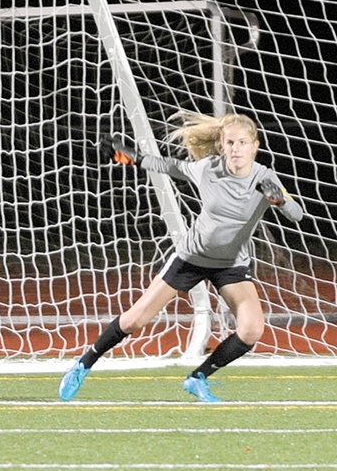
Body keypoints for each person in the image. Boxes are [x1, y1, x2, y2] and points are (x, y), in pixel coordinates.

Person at [58, 110, 305, 403]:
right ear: (222, 145)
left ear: (255, 145)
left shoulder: (265, 178)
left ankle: (198, 378)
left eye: (242, 142)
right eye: (230, 143)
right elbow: (170, 165)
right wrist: (131, 156)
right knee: (135, 320)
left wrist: (278, 201)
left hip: (231, 265)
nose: (236, 149)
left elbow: (297, 214)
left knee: (252, 330)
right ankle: (82, 364)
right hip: (191, 258)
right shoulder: (208, 169)